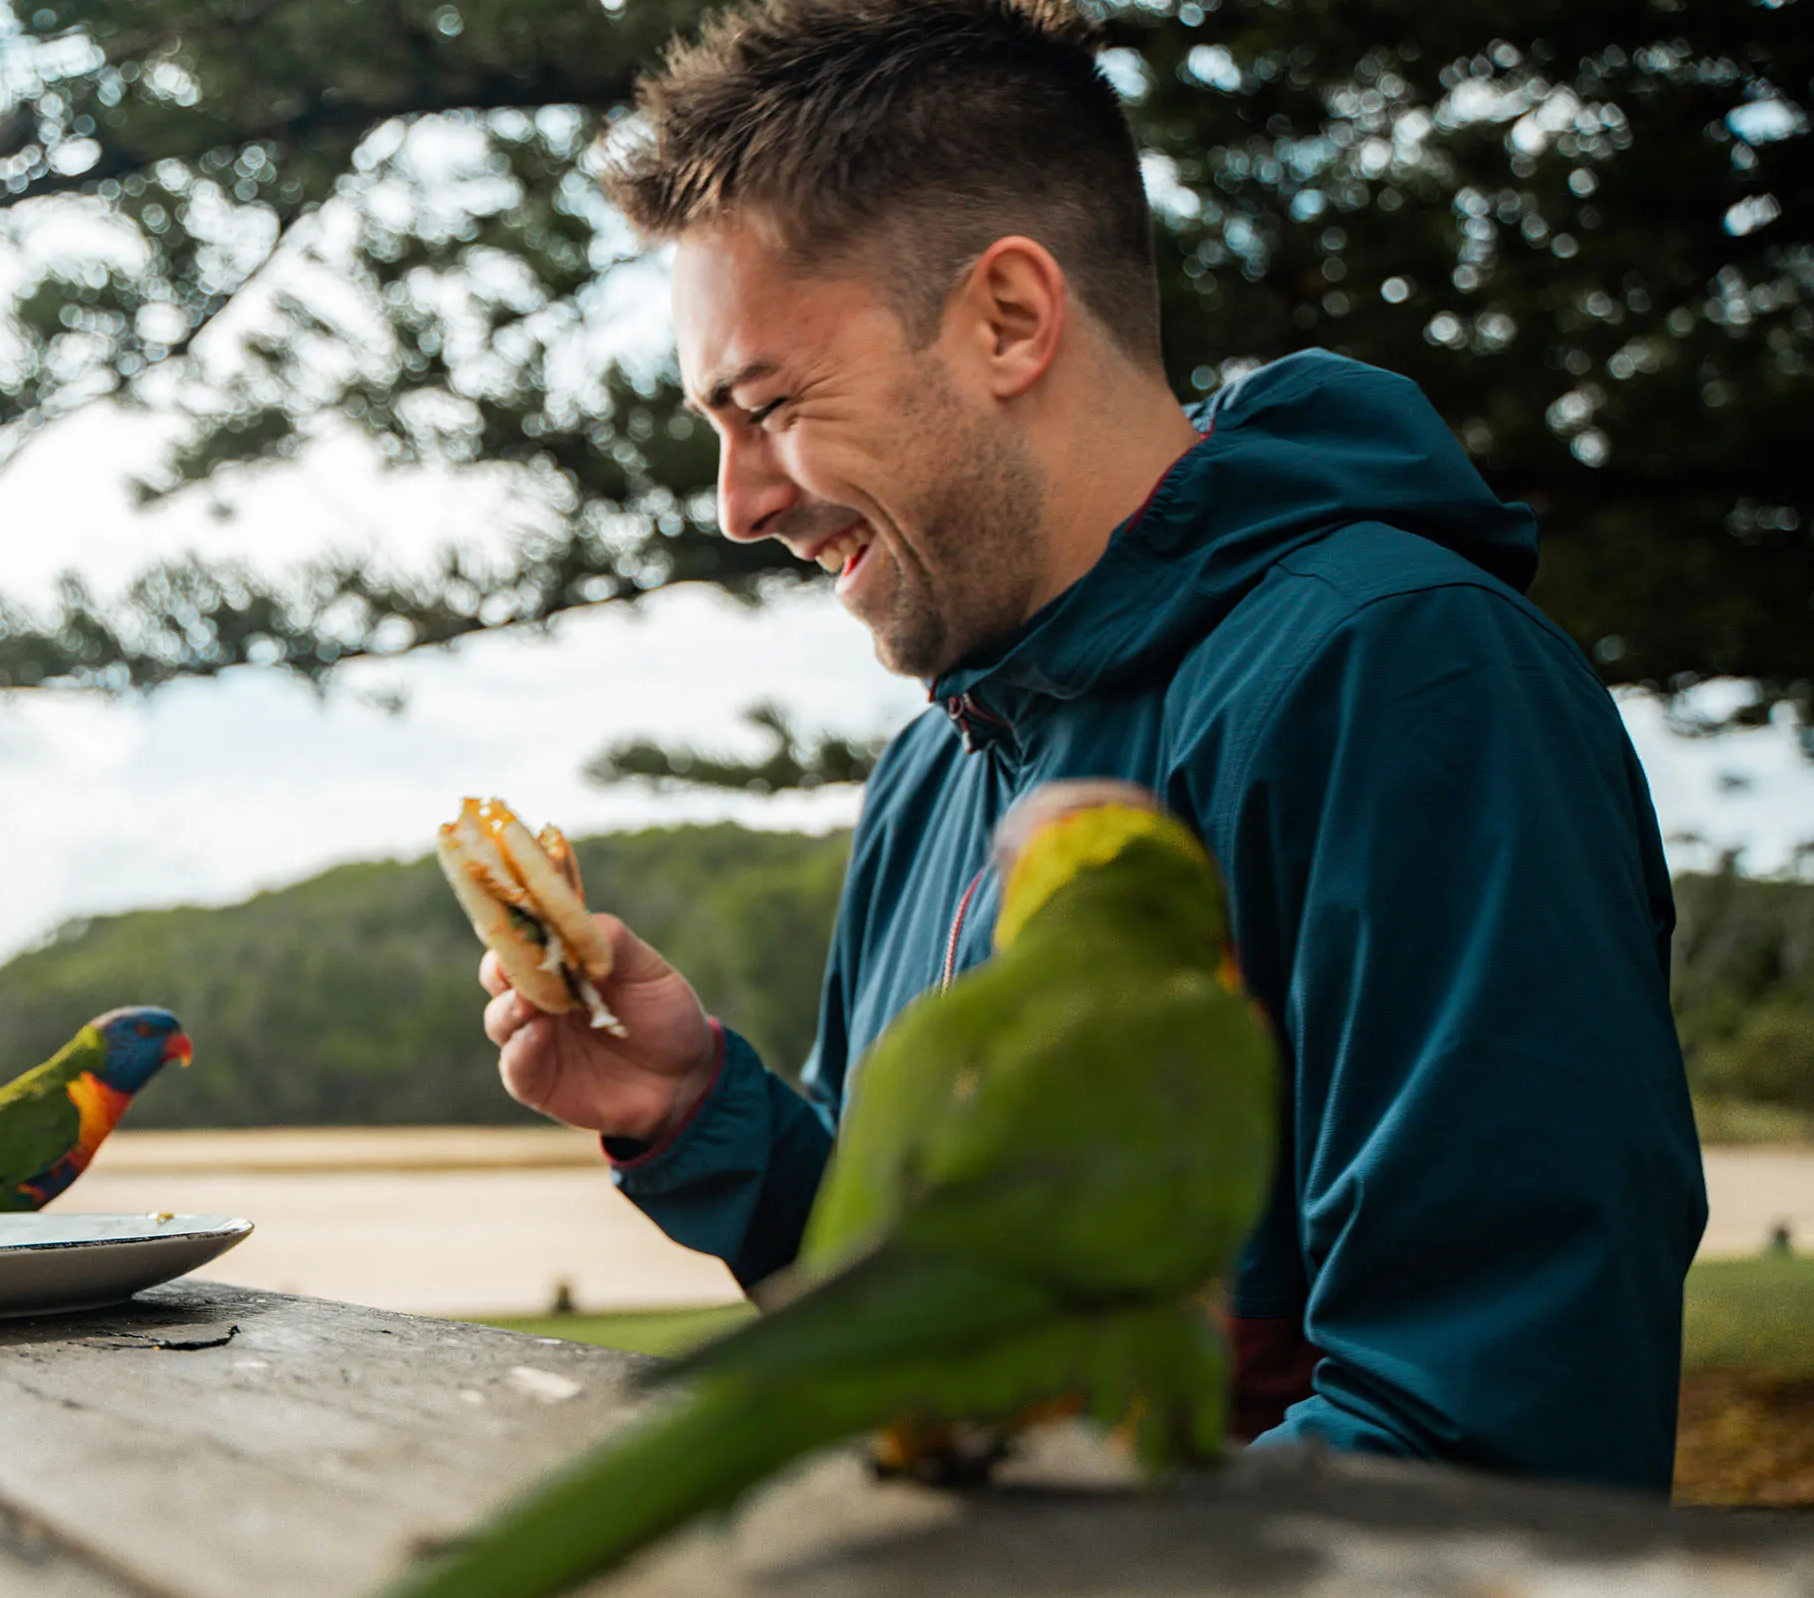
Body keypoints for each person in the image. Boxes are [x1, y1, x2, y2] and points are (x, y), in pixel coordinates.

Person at [476, 0, 1706, 1491]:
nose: (737, 503)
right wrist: (700, 1116)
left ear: (1008, 317)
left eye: (771, 404)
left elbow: (1491, 1423)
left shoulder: (1400, 678)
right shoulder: (940, 769)